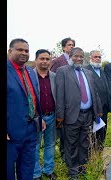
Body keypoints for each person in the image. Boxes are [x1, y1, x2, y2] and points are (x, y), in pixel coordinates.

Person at [55, 47, 103, 179]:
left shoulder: (88, 73)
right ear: (70, 56)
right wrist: (60, 116)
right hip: (71, 115)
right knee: (71, 144)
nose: (79, 58)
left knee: (85, 143)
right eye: (76, 56)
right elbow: (59, 96)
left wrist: (98, 111)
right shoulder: (62, 71)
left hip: (88, 115)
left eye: (81, 56)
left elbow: (95, 93)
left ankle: (83, 167)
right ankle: (73, 172)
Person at [7, 38, 46, 180]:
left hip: (31, 129)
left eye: (26, 50)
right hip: (11, 132)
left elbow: (32, 97)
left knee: (27, 168)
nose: (24, 53)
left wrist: (38, 117)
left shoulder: (29, 71)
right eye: (20, 50)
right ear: (10, 51)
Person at [33, 49, 57, 180]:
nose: (45, 61)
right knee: (35, 146)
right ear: (36, 60)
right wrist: (38, 116)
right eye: (42, 58)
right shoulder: (30, 75)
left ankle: (48, 170)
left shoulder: (54, 76)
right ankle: (36, 173)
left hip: (52, 116)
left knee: (50, 144)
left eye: (47, 59)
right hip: (36, 118)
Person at [50, 37, 75, 161]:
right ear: (64, 47)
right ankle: (64, 154)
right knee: (62, 129)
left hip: (73, 102)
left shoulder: (75, 61)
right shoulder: (57, 61)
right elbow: (52, 80)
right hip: (61, 101)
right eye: (69, 45)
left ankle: (69, 152)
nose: (71, 47)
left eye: (73, 45)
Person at [84, 50, 111, 151]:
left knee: (102, 130)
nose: (98, 59)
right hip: (93, 107)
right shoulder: (85, 70)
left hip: (104, 106)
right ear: (90, 58)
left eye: (99, 57)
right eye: (95, 57)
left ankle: (100, 149)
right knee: (92, 131)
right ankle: (91, 151)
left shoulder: (102, 71)